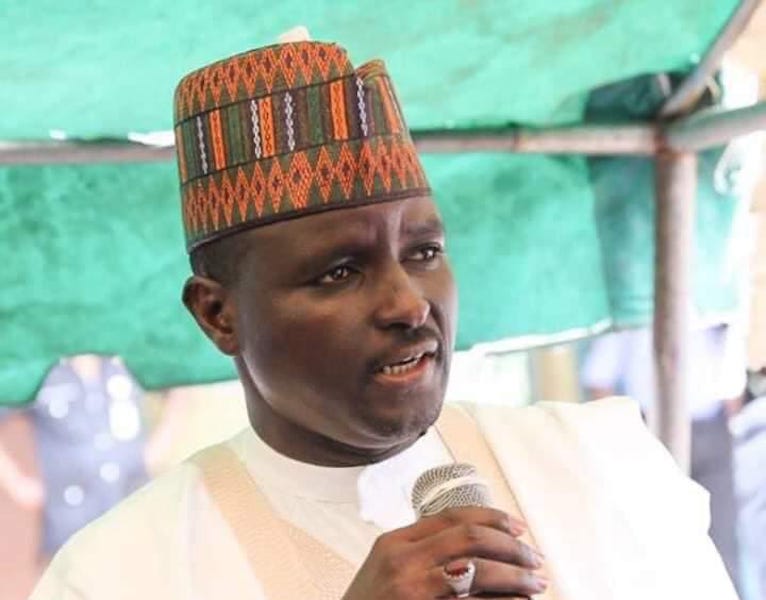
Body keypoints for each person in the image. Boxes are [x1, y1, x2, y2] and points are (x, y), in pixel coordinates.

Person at [31, 39, 738, 599]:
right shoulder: (122, 573)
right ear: (219, 316)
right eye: (339, 271)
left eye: (423, 252)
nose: (408, 304)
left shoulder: (597, 464)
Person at [581, 324, 746, 591]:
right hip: (651, 431)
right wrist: (624, 435)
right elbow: (598, 378)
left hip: (712, 428)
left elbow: (731, 372)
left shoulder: (714, 313)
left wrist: (731, 422)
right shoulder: (631, 320)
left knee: (722, 539)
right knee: (659, 541)